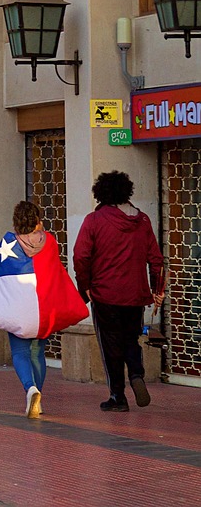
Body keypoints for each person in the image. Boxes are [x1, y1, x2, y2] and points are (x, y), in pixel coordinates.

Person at [0, 201, 86, 419]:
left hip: (18, 309)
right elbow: (55, 272)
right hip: (42, 309)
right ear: (38, 219)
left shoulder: (9, 242)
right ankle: (38, 396)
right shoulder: (49, 241)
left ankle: (30, 388)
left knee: (20, 352)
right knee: (38, 352)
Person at [73, 170, 165, 413]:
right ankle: (136, 373)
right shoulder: (143, 221)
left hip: (105, 294)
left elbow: (80, 256)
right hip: (135, 295)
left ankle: (117, 396)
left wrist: (85, 286)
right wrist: (157, 290)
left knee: (110, 345)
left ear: (101, 193)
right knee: (131, 339)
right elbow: (156, 260)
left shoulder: (94, 221)